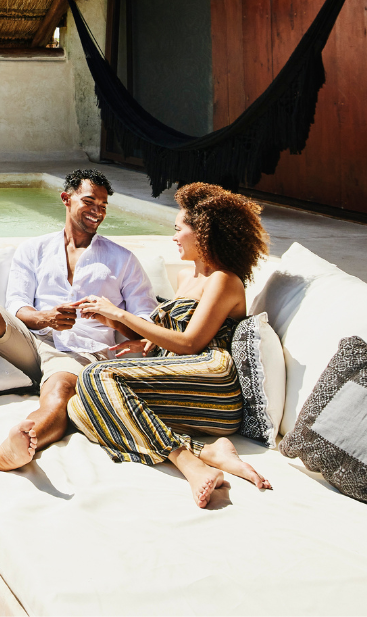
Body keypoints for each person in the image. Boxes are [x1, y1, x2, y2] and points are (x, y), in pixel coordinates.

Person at [0, 169, 157, 474]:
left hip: (79, 352)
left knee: (58, 396)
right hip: (31, 341)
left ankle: (21, 443)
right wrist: (46, 318)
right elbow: (17, 305)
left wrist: (110, 318)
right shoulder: (34, 249)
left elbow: (146, 322)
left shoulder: (122, 260)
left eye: (104, 206)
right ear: (65, 199)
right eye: (90, 201)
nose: (98, 211)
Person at [69, 182, 273, 509]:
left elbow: (190, 343)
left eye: (180, 229)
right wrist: (117, 323)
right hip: (182, 380)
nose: (174, 237)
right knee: (78, 408)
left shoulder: (223, 280)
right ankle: (206, 450)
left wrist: (120, 311)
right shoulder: (186, 278)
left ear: (204, 232)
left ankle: (187, 461)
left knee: (96, 376)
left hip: (212, 380)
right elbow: (167, 338)